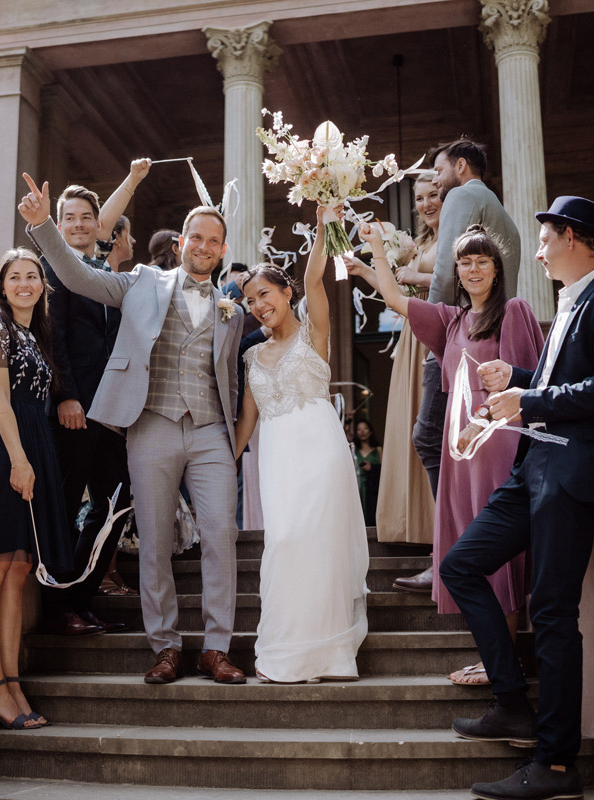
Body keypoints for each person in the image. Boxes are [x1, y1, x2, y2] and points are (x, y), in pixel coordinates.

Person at [440, 197, 594, 800]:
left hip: (577, 472)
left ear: (576, 239)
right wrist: (521, 379)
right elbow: (566, 383)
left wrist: (528, 401)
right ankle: (510, 703)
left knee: (553, 611)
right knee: (460, 565)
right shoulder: (572, 301)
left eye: (546, 236)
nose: (536, 248)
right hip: (539, 465)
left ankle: (556, 766)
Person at [19, 174, 247, 685]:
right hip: (152, 425)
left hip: (211, 430)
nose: (205, 247)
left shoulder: (232, 308)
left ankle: (216, 648)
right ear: (182, 241)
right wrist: (42, 229)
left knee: (220, 536)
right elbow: (79, 278)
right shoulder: (143, 280)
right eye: (197, 237)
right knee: (156, 543)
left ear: (223, 249)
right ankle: (165, 647)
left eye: (215, 240)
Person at [349, 222, 543, 688]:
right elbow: (395, 299)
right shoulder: (451, 320)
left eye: (482, 261)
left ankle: (506, 659)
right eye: (465, 262)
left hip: (498, 444)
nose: (473, 269)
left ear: (497, 269)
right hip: (459, 452)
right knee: (467, 553)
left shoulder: (513, 311)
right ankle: (492, 655)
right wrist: (376, 247)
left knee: (498, 556)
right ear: (455, 270)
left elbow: (533, 380)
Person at [234, 205, 369, 683]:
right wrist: (223, 462)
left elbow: (317, 280)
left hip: (320, 449)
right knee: (285, 544)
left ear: (285, 292)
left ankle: (329, 652)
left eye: (264, 294)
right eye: (249, 300)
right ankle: (287, 649)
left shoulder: (315, 333)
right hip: (276, 458)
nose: (257, 305)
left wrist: (322, 225)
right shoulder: (251, 355)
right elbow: (247, 419)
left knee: (319, 544)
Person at [0, 248, 73, 730]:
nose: (25, 283)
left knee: (19, 568)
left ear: (42, 286)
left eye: (33, 276)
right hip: (3, 446)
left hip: (35, 443)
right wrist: (19, 460)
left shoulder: (38, 333)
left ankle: (12, 683)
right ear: (2, 286)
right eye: (15, 277)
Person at [406, 140, 521, 593]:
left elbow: (447, 273)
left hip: (462, 334)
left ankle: (448, 556)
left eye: (438, 171)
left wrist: (435, 332)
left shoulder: (463, 195)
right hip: (485, 332)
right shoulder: (491, 203)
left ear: (460, 166)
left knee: (432, 438)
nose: (435, 182)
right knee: (459, 444)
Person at [44, 165, 148, 625]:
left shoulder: (104, 271)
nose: (81, 225)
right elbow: (54, 338)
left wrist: (131, 179)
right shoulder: (54, 269)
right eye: (71, 218)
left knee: (117, 500)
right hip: (75, 409)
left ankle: (81, 596)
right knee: (66, 505)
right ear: (59, 224)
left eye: (87, 217)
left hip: (113, 411)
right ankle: (59, 607)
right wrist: (66, 396)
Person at [375, 173, 438, 552]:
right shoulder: (423, 242)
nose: (426, 203)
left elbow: (450, 280)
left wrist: (414, 274)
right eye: (419, 198)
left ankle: (432, 524)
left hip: (433, 331)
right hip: (414, 332)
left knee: (426, 429)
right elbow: (398, 294)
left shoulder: (453, 235)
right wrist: (368, 268)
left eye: (434, 194)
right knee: (410, 424)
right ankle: (409, 523)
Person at [352, 418, 382, 527]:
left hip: (373, 489)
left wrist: (372, 468)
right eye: (359, 429)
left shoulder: (378, 450)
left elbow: (384, 471)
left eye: (365, 428)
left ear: (370, 431)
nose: (362, 431)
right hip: (358, 487)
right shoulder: (353, 451)